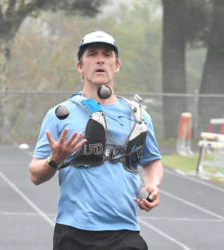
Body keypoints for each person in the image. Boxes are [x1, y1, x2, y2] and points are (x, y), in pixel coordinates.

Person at [29, 30, 163, 250]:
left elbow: (151, 161)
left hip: (125, 231)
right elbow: (35, 174)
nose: (100, 59)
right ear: (80, 66)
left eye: (107, 55)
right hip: (74, 232)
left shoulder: (138, 115)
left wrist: (151, 185)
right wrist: (55, 160)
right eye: (92, 54)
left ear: (117, 65)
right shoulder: (60, 114)